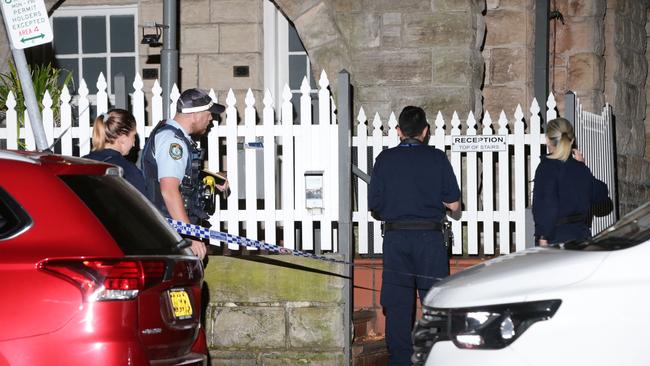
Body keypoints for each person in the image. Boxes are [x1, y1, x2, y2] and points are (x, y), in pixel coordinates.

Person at [368, 106, 460, 366]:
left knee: (397, 305)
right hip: (430, 240)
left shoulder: (384, 160)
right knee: (435, 302)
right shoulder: (437, 159)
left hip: (396, 239)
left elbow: (374, 206)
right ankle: (436, 358)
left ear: (398, 131)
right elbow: (453, 204)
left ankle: (400, 361)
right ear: (425, 131)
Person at [141, 88, 228, 260]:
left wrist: (210, 177)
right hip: (171, 236)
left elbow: (179, 176)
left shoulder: (173, 137)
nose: (211, 118)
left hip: (172, 231)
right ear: (195, 114)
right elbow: (169, 190)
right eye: (209, 113)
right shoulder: (173, 142)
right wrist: (190, 236)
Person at [533, 117, 610, 246]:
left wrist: (542, 237)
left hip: (555, 240)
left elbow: (546, 206)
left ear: (547, 140)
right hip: (581, 238)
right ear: (572, 141)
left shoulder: (546, 168)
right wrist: (583, 168)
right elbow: (601, 193)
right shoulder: (580, 169)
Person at [83, 109, 146, 195]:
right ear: (123, 139)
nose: (134, 143)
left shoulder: (83, 162)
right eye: (133, 136)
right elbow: (141, 205)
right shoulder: (128, 170)